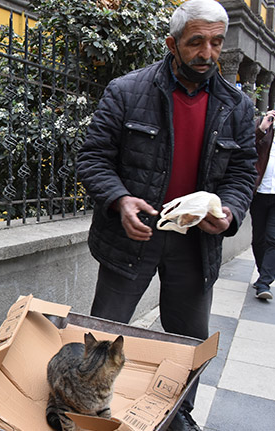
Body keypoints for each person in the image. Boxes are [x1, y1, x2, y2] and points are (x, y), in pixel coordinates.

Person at [76, 1, 257, 430]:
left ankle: (179, 416)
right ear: (172, 44)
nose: (207, 54)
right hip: (131, 237)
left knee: (187, 342)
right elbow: (93, 159)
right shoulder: (127, 91)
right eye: (196, 42)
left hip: (195, 244)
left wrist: (227, 211)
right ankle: (86, 409)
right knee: (105, 334)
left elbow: (243, 171)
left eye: (216, 42)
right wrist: (120, 200)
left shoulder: (237, 106)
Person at [250, 110, 275, 301]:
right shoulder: (264, 126)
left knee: (271, 238)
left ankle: (265, 282)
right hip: (259, 192)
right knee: (258, 238)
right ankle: (262, 274)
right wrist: (261, 128)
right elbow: (246, 145)